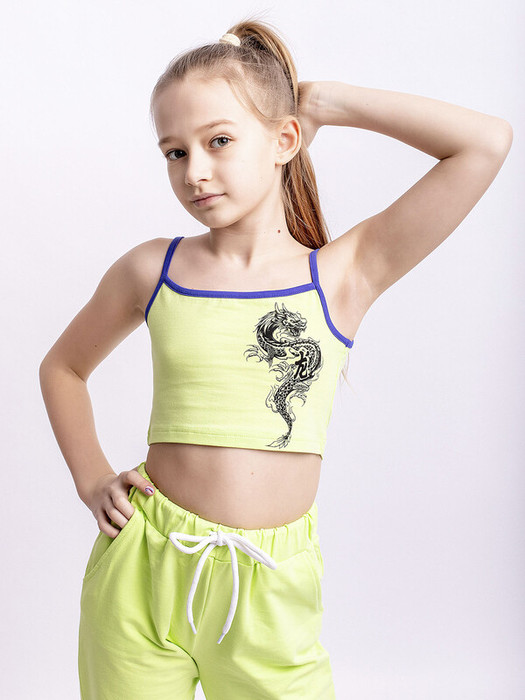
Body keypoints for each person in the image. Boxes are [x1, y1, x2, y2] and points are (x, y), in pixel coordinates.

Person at [39, 16, 512, 700]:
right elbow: (63, 367)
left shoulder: (340, 275)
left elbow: (484, 143)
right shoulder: (151, 269)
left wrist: (323, 102)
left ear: (284, 140)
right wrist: (91, 481)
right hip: (142, 567)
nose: (194, 171)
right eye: (174, 152)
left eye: (219, 141)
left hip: (269, 589)